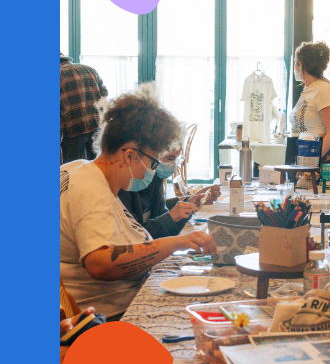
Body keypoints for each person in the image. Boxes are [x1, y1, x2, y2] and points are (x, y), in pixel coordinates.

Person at [60, 89, 217, 320]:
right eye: (153, 162)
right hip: (107, 316)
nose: (152, 171)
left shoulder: (79, 170)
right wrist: (175, 243)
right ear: (130, 156)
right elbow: (101, 264)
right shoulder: (90, 189)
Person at [118, 145, 221, 239]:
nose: (173, 164)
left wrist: (188, 203)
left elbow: (160, 216)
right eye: (170, 158)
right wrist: (170, 218)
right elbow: (134, 237)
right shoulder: (124, 187)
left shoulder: (154, 177)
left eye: (177, 158)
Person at [289, 41, 330, 164]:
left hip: (317, 154)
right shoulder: (308, 89)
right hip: (302, 151)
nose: (295, 67)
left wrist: (312, 158)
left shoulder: (323, 89)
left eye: (296, 63)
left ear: (301, 65)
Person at [60, 52, 108, 163]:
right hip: (95, 125)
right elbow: (104, 93)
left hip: (73, 128)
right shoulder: (90, 69)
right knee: (96, 164)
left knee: (71, 167)